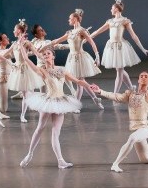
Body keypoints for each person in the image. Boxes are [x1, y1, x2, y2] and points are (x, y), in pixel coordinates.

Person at [16, 37, 94, 169]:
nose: (46, 55)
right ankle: (29, 154)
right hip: (47, 101)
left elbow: (78, 81)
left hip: (60, 101)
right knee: (40, 127)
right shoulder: (42, 71)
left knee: (55, 132)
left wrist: (90, 86)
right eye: (44, 54)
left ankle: (60, 161)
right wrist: (21, 47)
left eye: (48, 53)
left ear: (53, 56)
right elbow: (27, 60)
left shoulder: (62, 70)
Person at [89, 0, 148, 94]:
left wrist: (143, 49)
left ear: (116, 9)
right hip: (111, 47)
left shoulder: (125, 21)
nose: (110, 10)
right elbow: (97, 31)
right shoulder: (110, 21)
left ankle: (115, 95)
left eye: (112, 8)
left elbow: (134, 36)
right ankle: (131, 88)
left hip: (121, 47)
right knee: (120, 69)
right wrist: (87, 38)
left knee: (119, 71)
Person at [49, 9, 105, 109]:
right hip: (72, 59)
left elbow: (92, 42)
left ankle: (76, 105)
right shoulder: (69, 32)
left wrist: (97, 56)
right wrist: (47, 44)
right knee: (81, 81)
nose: (68, 20)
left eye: (70, 18)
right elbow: (57, 40)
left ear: (75, 19)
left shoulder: (81, 31)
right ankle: (95, 99)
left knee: (80, 82)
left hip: (80, 58)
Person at [6, 20, 46, 122]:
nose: (13, 31)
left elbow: (37, 53)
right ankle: (25, 113)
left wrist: (46, 60)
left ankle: (23, 115)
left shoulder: (26, 43)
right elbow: (6, 53)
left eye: (14, 29)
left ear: (19, 30)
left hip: (26, 69)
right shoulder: (15, 43)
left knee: (26, 93)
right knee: (26, 94)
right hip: (18, 70)